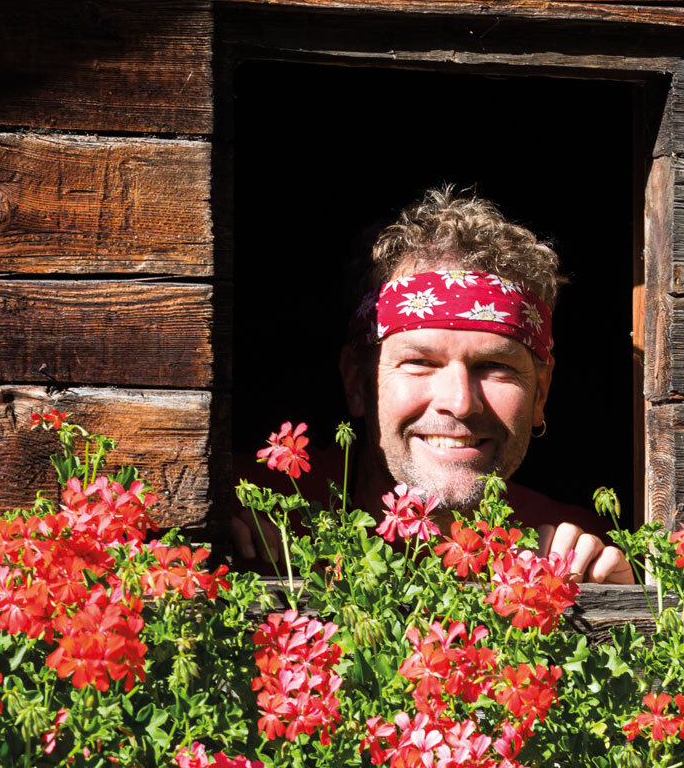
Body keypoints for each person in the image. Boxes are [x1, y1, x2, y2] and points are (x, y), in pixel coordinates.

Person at [232, 187, 633, 584]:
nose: (460, 403)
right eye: (420, 363)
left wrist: (615, 606)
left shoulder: (569, 555)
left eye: (494, 366)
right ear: (357, 381)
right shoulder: (253, 510)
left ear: (541, 393)